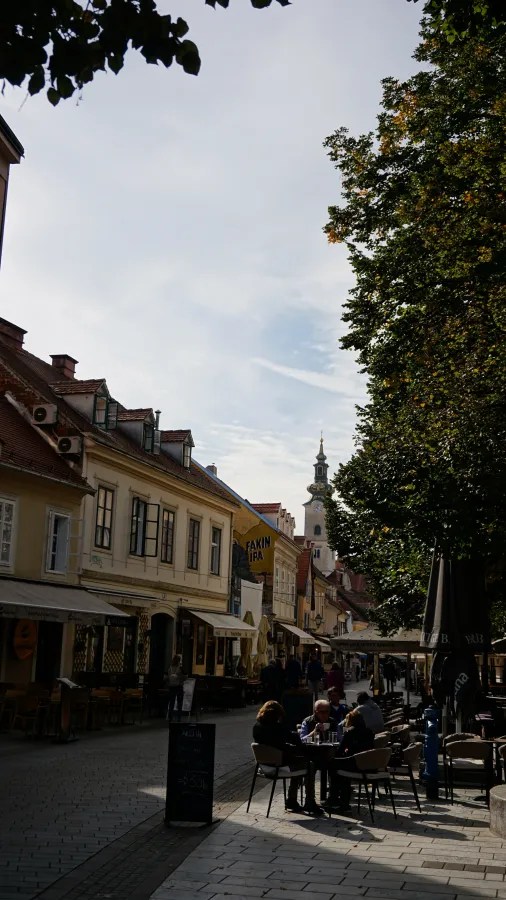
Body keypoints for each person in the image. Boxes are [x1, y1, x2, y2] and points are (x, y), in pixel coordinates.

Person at [252, 700, 324, 816]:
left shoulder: (257, 726)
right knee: (309, 764)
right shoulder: (276, 727)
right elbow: (290, 740)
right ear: (277, 715)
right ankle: (308, 801)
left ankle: (292, 800)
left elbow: (275, 744)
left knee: (300, 763)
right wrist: (299, 746)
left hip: (263, 765)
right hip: (278, 765)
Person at [327, 708, 375, 810]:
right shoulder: (370, 732)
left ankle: (334, 797)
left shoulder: (350, 733)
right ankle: (340, 799)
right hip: (368, 765)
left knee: (333, 766)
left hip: (354, 765)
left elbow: (340, 750)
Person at [165, 654, 184, 722]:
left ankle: (170, 717)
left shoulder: (169, 667)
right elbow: (184, 676)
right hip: (179, 686)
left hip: (171, 687)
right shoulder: (180, 668)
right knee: (179, 702)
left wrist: (169, 682)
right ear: (179, 660)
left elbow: (165, 677)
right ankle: (179, 717)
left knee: (171, 702)